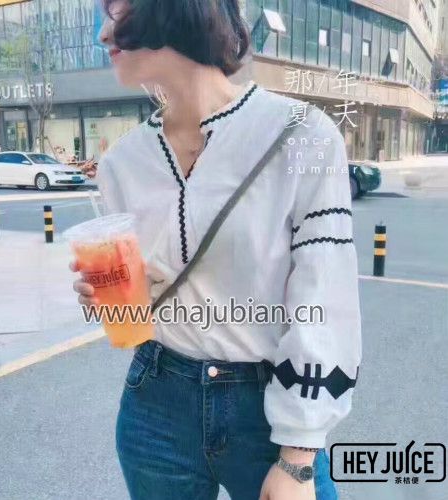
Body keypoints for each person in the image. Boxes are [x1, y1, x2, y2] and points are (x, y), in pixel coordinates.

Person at [72, 1, 362, 499]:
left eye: (115, 11)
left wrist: (297, 459)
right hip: (156, 404)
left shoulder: (302, 133)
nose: (103, 34)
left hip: (268, 410)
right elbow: (140, 306)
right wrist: (107, 296)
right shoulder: (122, 162)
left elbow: (325, 300)